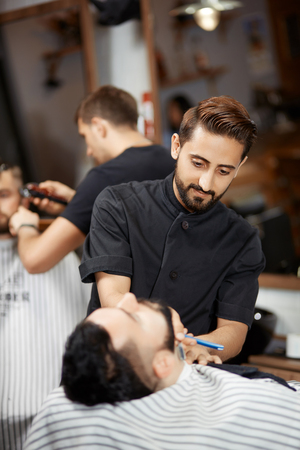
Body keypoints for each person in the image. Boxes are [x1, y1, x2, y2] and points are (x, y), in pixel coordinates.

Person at [80, 95, 266, 364]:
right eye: (198, 163)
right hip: (108, 367)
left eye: (224, 171)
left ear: (239, 167)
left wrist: (204, 348)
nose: (206, 182)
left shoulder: (242, 240)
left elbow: (234, 332)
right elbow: (114, 297)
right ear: (176, 146)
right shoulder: (117, 205)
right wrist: (160, 322)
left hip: (184, 378)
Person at [24, 294, 300, 450]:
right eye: (132, 316)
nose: (129, 297)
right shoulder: (254, 408)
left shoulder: (60, 403)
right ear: (162, 364)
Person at [8, 85, 174, 273]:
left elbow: (35, 260)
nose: (88, 151)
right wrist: (75, 200)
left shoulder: (103, 177)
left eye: (85, 136)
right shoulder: (173, 161)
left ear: (99, 127)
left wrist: (25, 226)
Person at [0, 162, 91, 450]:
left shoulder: (58, 258)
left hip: (53, 417)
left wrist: (75, 205)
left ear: (25, 198)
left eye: (3, 194)